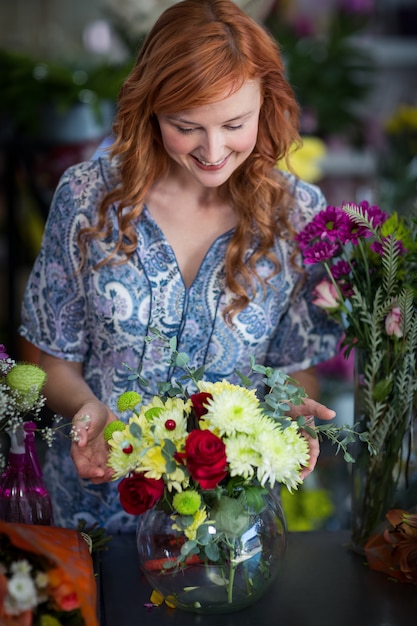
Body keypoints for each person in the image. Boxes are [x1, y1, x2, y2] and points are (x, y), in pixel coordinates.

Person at [19, 0, 342, 532]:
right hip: (95, 513)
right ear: (150, 109)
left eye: (235, 124)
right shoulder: (87, 197)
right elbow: (52, 359)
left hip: (230, 527)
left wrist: (293, 407)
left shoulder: (297, 214)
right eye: (186, 126)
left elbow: (296, 363)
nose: (213, 150)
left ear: (268, 102)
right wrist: (85, 409)